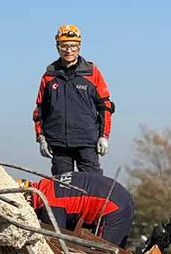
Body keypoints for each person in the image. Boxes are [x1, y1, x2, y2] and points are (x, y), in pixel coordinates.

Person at [33, 24, 115, 175]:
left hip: (87, 142)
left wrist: (104, 136)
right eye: (64, 46)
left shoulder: (92, 73)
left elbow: (105, 106)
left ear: (79, 46)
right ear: (58, 47)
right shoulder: (49, 75)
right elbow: (40, 110)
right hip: (58, 144)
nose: (69, 50)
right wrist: (41, 138)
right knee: (63, 190)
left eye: (73, 46)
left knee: (92, 186)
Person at [22, 171, 133, 248]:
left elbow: (57, 243)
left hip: (113, 208)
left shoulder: (50, 205)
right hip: (119, 196)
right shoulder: (49, 183)